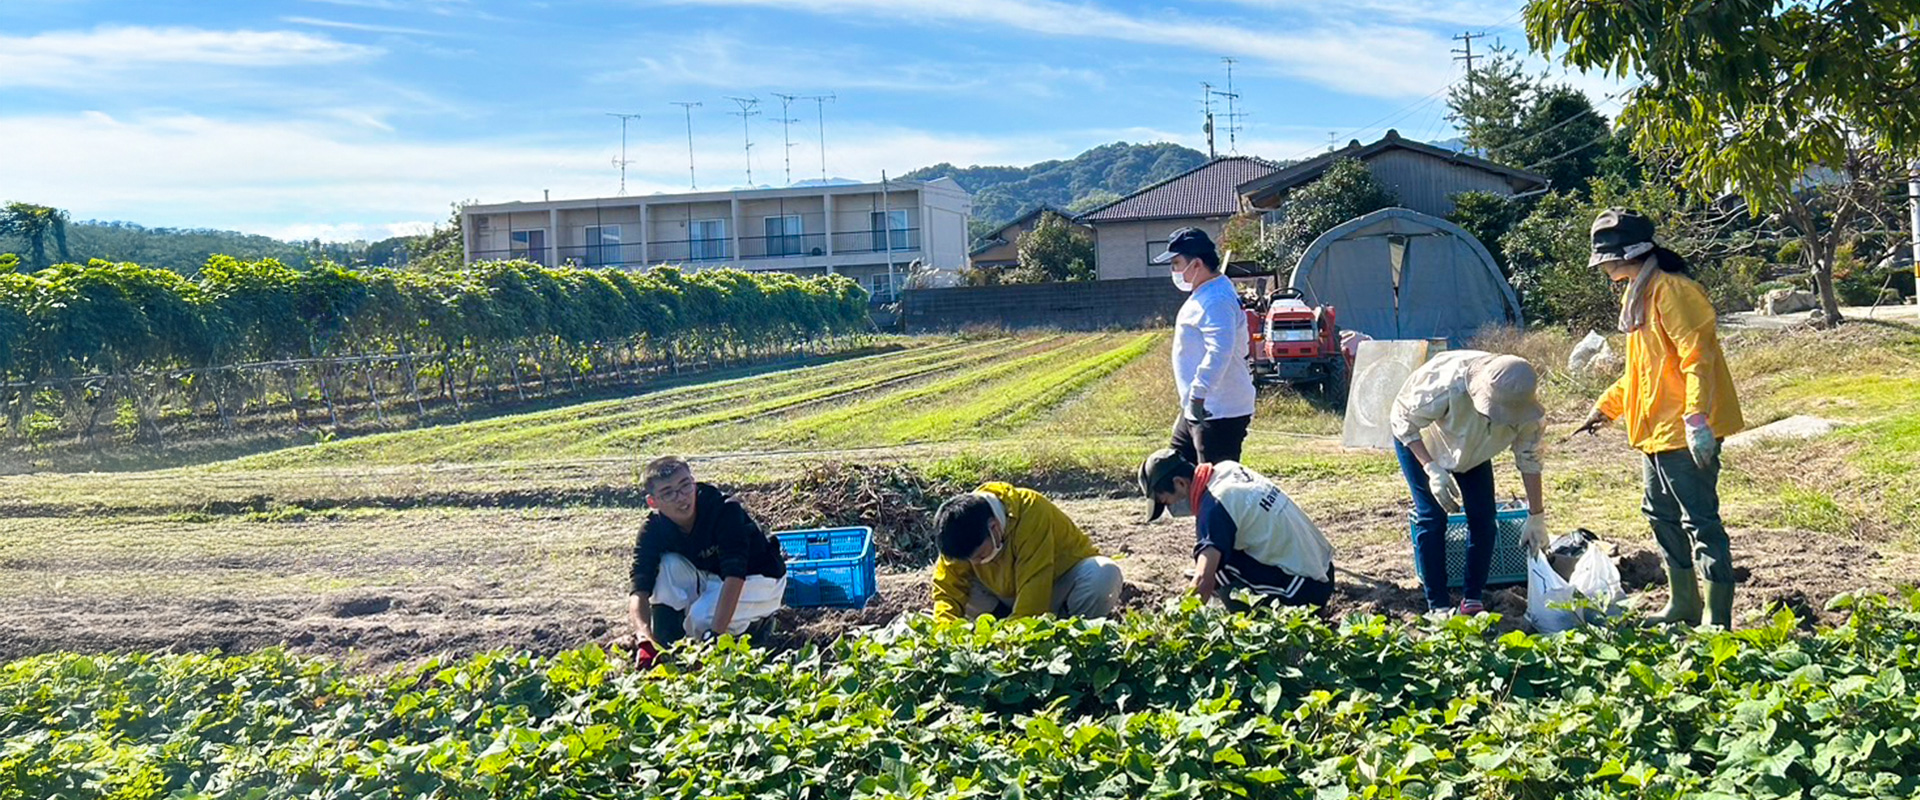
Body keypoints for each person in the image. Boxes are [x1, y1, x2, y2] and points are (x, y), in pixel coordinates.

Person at [1574, 208, 1745, 628]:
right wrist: (1606, 407)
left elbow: (1697, 358)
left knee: (1699, 520)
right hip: (1655, 429)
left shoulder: (1673, 291)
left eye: (1607, 258)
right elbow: (1642, 371)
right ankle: (1683, 604)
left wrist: (1696, 418)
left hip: (1683, 429)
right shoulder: (1638, 294)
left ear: (1629, 253)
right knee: (1659, 513)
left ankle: (1717, 619)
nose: (1604, 267)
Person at [1391, 351, 1550, 616]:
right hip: (1425, 441)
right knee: (1432, 517)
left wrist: (1536, 516)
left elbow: (1530, 459)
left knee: (1484, 518)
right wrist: (1431, 468)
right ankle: (1438, 607)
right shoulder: (1446, 384)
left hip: (1473, 451)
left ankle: (1472, 599)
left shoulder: (1527, 413)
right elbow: (1403, 420)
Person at [1138, 448, 1336, 609]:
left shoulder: (1214, 507)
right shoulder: (1227, 469)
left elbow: (1203, 579)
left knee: (1218, 567)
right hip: (1324, 571)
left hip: (1304, 591)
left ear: (1180, 483)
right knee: (1220, 550)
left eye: (1167, 501)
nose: (1172, 509)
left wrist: (1179, 623)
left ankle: (1249, 627)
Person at [628, 456, 788, 649]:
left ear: (694, 483)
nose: (681, 497)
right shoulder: (652, 528)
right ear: (652, 501)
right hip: (713, 579)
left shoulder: (724, 510)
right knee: (667, 565)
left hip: (760, 580)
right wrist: (643, 636)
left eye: (685, 486)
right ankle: (665, 644)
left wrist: (715, 635)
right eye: (668, 493)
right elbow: (639, 587)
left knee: (702, 618)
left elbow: (735, 574)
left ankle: (757, 627)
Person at [930, 482, 1124, 621]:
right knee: (960, 589)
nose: (977, 563)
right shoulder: (957, 526)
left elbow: (1035, 583)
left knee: (1104, 574)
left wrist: (1014, 638)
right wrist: (945, 633)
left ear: (994, 528)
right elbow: (947, 590)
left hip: (1057, 587)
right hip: (1009, 597)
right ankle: (1003, 621)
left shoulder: (1031, 511)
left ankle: (1074, 631)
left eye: (980, 555)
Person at [1155, 227, 1256, 466]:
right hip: (1198, 407)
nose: (1173, 271)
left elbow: (1219, 351)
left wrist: (1198, 396)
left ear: (1197, 264)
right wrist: (1189, 404)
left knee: (1212, 481)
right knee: (1173, 472)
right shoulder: (1207, 291)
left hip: (1217, 411)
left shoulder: (1216, 300)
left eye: (1176, 263)